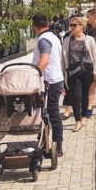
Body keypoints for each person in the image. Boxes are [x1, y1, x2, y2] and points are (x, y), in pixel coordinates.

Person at [30, 13, 65, 157]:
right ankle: (45, 144)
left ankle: (56, 145)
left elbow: (44, 60)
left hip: (48, 82)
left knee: (50, 114)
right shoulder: (54, 37)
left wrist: (32, 76)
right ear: (48, 24)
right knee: (48, 114)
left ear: (33, 26)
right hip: (55, 79)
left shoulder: (43, 39)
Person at [62, 15, 96, 130]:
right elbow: (63, 58)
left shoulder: (89, 40)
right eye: (70, 25)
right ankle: (77, 121)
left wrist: (95, 71)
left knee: (85, 95)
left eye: (74, 25)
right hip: (73, 70)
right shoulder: (67, 40)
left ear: (82, 26)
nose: (71, 27)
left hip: (87, 69)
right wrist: (63, 74)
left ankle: (83, 116)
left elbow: (94, 57)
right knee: (76, 95)